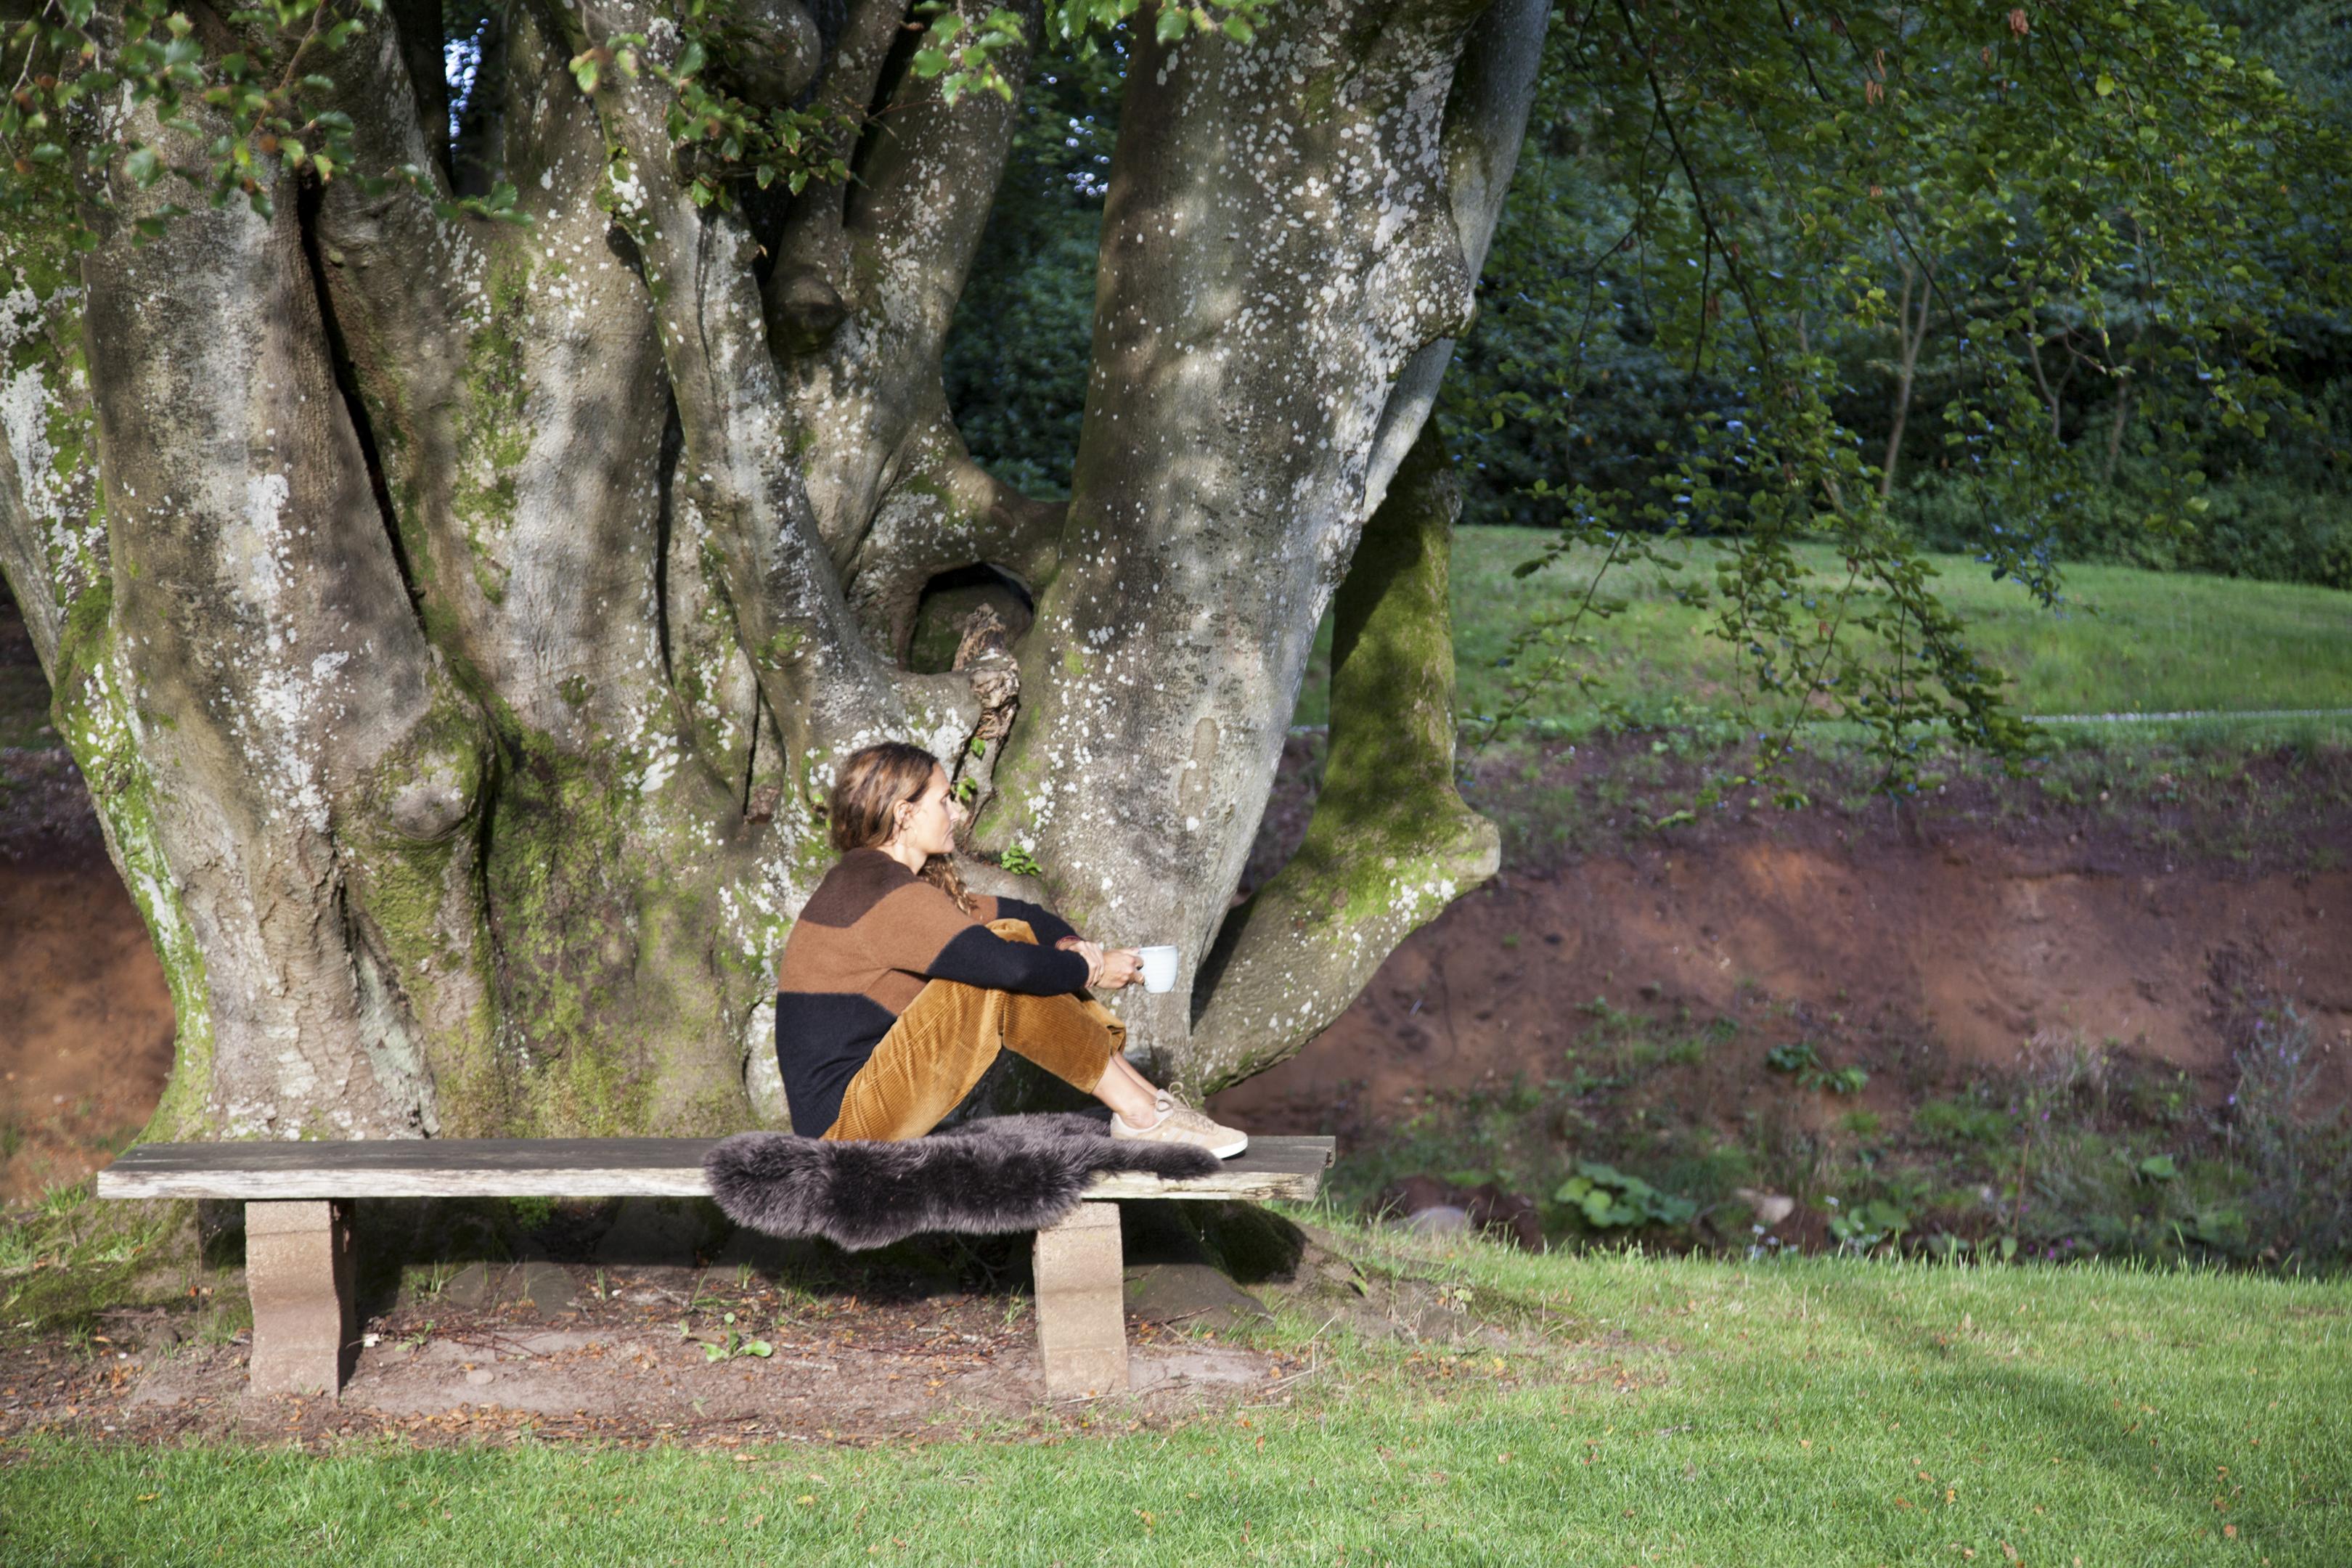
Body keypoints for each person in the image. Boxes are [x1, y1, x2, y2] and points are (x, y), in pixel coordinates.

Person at [773, 740, 1249, 1156]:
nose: (958, 813)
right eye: (944, 801)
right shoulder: (878, 892)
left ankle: (1148, 1104)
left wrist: (1075, 948)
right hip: (843, 1136)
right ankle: (1144, 1113)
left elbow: (1028, 918)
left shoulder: (887, 885)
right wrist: (1088, 971)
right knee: (1002, 973)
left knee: (1011, 946)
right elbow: (1012, 968)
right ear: (904, 813)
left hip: (863, 1111)